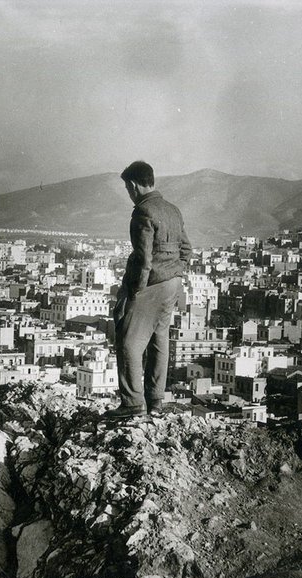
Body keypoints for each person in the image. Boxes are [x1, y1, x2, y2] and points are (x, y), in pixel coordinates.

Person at [105, 161, 192, 419]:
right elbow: (187, 250)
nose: (128, 193)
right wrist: (174, 271)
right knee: (159, 340)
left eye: (127, 188)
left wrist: (134, 292)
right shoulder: (173, 210)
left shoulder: (142, 212)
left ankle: (132, 403)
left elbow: (143, 260)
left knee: (128, 340)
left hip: (150, 284)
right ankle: (156, 401)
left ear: (133, 185)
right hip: (172, 284)